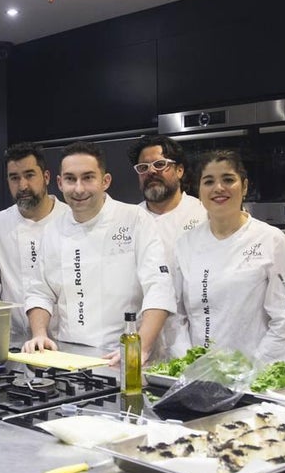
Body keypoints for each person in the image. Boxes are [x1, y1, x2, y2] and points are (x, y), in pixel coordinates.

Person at [22, 142, 175, 363]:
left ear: (105, 181)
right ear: (59, 183)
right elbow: (39, 292)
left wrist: (138, 347)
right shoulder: (52, 230)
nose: (79, 188)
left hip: (124, 356)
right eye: (70, 179)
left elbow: (158, 288)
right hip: (69, 356)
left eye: (88, 177)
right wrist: (39, 334)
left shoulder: (134, 219)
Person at [173, 150, 285, 365]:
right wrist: (190, 365)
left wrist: (253, 371)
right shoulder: (185, 244)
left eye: (228, 179)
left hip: (253, 377)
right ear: (199, 190)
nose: (218, 188)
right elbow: (175, 317)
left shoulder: (271, 240)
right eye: (208, 181)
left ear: (244, 186)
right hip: (197, 377)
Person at [0, 143, 66, 338]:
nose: (22, 186)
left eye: (29, 175)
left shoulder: (70, 219)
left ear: (46, 177)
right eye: (14, 178)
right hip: (13, 339)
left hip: (66, 339)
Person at [129, 134, 206, 352]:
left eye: (160, 164)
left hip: (196, 339)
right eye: (143, 168)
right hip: (142, 339)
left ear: (179, 170)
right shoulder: (129, 220)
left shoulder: (204, 215)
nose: (151, 172)